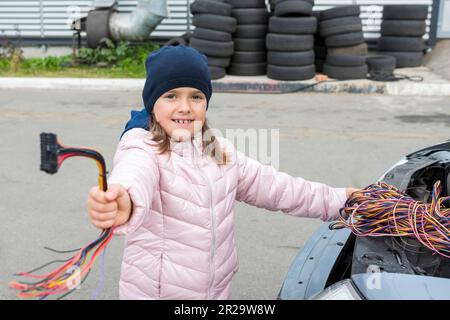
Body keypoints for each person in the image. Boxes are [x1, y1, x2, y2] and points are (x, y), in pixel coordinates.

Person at [87, 45, 358, 300]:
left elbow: (276, 187)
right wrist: (124, 200)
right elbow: (133, 175)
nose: (185, 107)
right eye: (171, 96)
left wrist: (339, 200)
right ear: (152, 104)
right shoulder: (143, 147)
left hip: (214, 290)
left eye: (196, 96)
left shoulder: (218, 151)